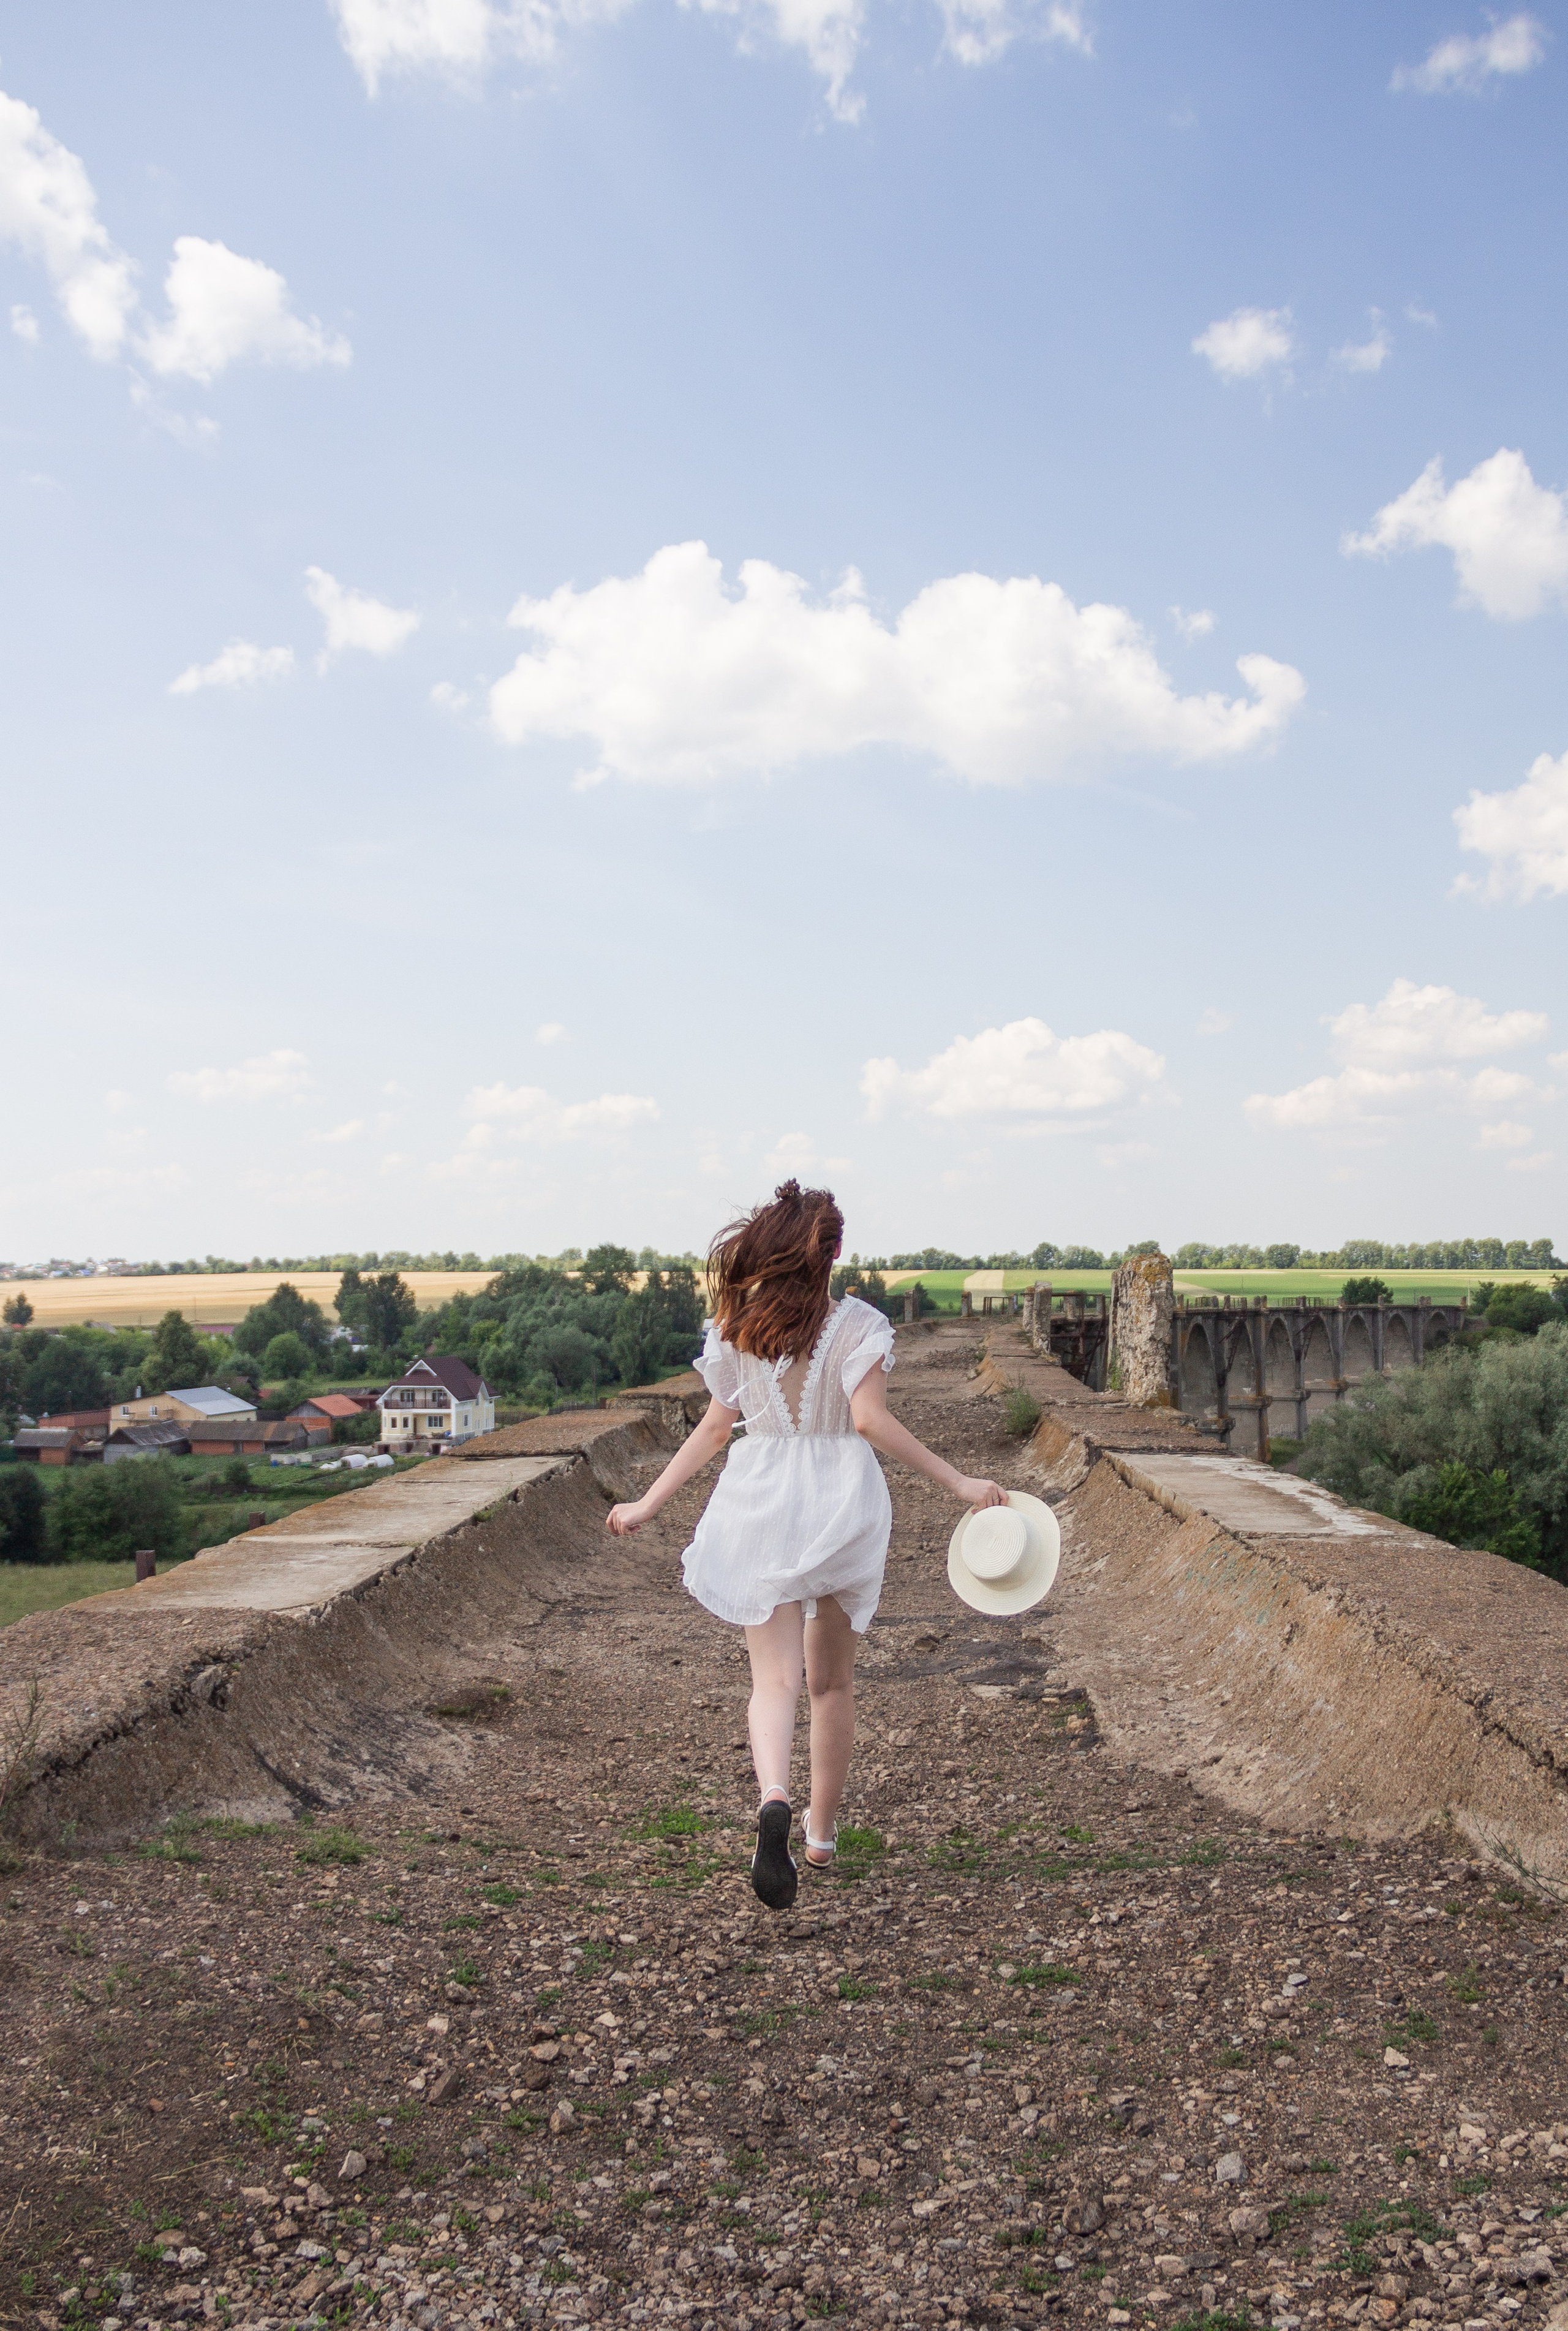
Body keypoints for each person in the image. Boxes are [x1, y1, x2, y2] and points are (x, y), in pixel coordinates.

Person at [606, 1180, 1005, 1910]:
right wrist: (958, 1482)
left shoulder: (736, 1325)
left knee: (774, 1682)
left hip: (758, 1496)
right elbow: (870, 1422)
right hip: (840, 1501)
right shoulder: (860, 1324)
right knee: (832, 1684)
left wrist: (646, 1504)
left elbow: (713, 1429)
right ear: (835, 1253)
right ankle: (819, 1837)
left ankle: (774, 1796)